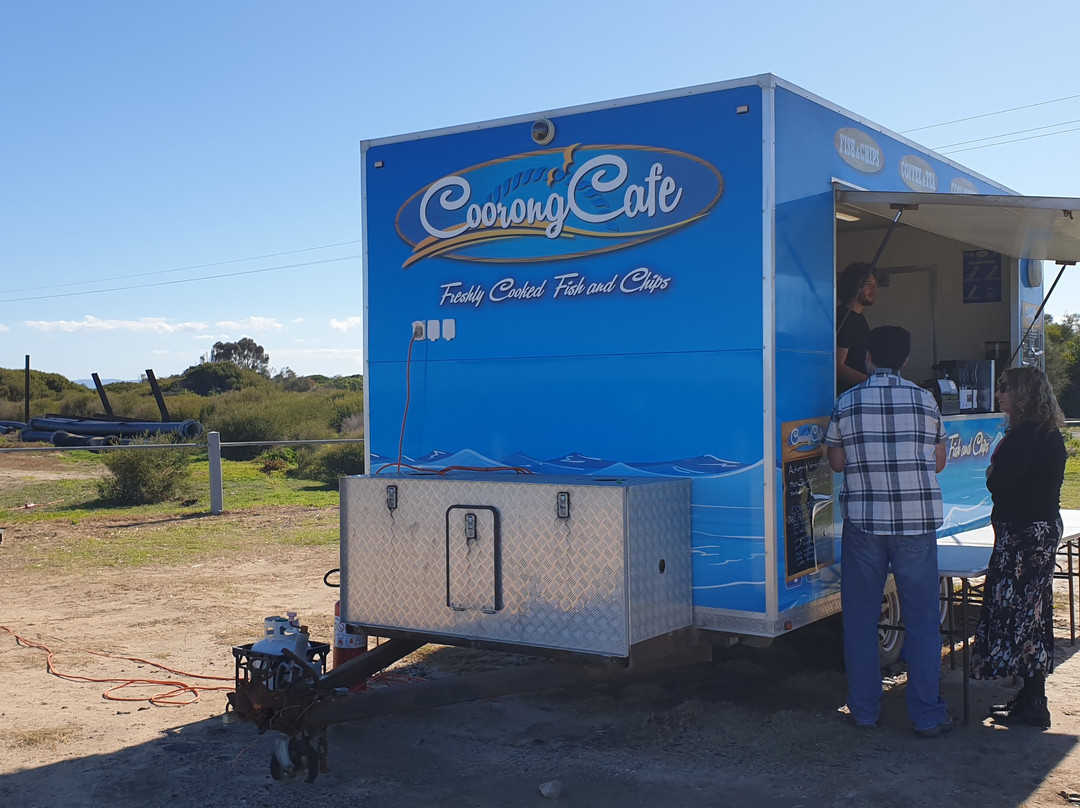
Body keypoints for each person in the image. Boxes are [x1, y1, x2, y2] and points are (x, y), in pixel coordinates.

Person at [825, 325, 951, 737]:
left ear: (868, 358)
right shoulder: (925, 399)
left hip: (864, 523)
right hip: (916, 523)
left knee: (860, 620)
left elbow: (838, 463)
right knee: (922, 620)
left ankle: (863, 710)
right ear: (907, 359)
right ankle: (927, 714)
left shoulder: (847, 401)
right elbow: (938, 462)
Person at [970, 366, 1066, 729]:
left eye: (1005, 389)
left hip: (1024, 536)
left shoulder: (1027, 436)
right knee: (1033, 613)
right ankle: (1029, 695)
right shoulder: (1045, 432)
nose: (999, 395)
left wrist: (993, 473)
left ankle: (1033, 701)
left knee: (1022, 614)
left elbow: (1000, 483)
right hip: (1035, 532)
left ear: (1023, 394)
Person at [836, 262, 878, 393]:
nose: (874, 289)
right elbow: (837, 366)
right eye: (868, 283)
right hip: (847, 396)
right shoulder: (844, 318)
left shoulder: (858, 317)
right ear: (853, 285)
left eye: (875, 285)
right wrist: (873, 383)